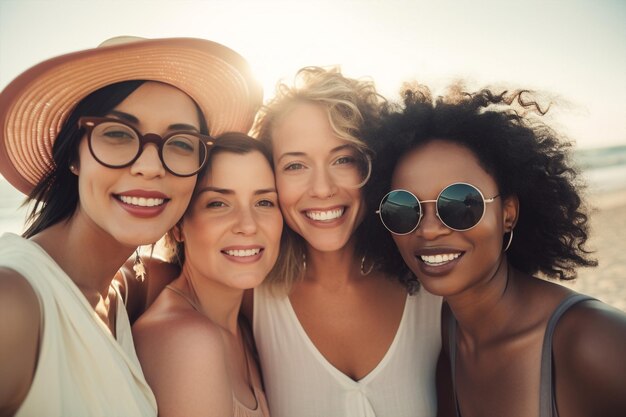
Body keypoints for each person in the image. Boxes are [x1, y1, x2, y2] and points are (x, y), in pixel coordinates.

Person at [0, 37, 261, 417]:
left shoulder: (121, 288)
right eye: (119, 134)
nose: (151, 166)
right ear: (74, 154)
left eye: (181, 143)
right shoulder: (15, 302)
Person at [371, 85, 626, 417]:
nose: (430, 228)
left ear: (507, 214)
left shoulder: (592, 341)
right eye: (403, 208)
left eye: (462, 204)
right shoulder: (444, 336)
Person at [248, 67, 442, 417]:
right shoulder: (252, 299)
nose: (322, 189)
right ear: (270, 177)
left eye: (343, 159)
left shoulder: (432, 290)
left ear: (374, 165)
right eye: (295, 166)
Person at [132, 133, 281, 417]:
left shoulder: (245, 329)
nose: (248, 226)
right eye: (218, 204)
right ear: (177, 227)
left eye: (264, 202)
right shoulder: (187, 341)